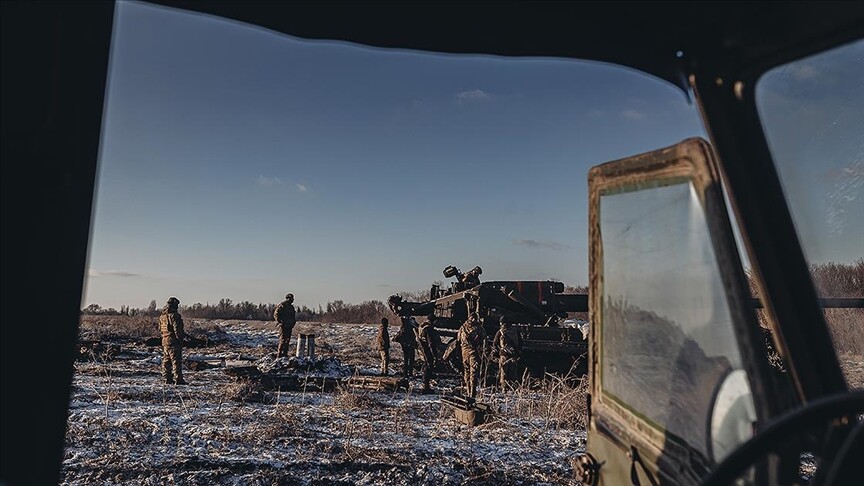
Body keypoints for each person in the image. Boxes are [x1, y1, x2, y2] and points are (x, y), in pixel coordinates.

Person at [457, 313, 487, 399]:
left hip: (467, 353)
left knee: (470, 372)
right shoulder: (479, 328)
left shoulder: (463, 328)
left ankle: (471, 392)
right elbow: (484, 340)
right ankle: (471, 392)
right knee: (471, 372)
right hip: (471, 353)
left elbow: (458, 340)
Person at [159, 296, 186, 385]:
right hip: (174, 341)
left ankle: (167, 379)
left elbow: (160, 329)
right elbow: (177, 329)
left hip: (165, 341)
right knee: (176, 361)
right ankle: (179, 380)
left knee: (166, 361)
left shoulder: (162, 316)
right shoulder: (174, 316)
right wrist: (181, 339)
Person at [493, 315, 523, 388]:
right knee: (513, 374)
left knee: (503, 374)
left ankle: (504, 389)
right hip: (513, 356)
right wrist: (519, 352)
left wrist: (496, 354)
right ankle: (514, 389)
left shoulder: (500, 332)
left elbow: (495, 343)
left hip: (504, 356)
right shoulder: (515, 331)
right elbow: (521, 342)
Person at [416, 314, 440, 393]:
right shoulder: (429, 329)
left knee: (425, 366)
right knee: (428, 367)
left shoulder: (422, 326)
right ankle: (426, 387)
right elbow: (431, 343)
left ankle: (425, 385)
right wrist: (434, 355)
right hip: (427, 350)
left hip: (422, 349)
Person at [274, 293, 296, 358]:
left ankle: (285, 355)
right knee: (283, 340)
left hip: (289, 326)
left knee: (287, 340)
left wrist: (293, 323)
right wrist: (280, 322)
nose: (292, 300)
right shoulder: (282, 305)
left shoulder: (291, 307)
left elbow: (293, 316)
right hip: (283, 326)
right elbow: (276, 314)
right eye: (292, 298)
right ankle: (279, 355)